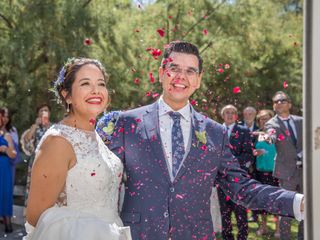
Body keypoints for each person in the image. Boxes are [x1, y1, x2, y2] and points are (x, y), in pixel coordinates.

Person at [97, 41, 304, 240]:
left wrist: (297, 201)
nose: (181, 77)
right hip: (139, 233)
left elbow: (241, 188)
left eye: (190, 71)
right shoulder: (127, 123)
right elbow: (103, 180)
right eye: (174, 68)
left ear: (198, 79)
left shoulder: (215, 133)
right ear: (161, 73)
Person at [24, 58, 131, 240]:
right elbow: (36, 217)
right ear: (67, 95)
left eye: (101, 83)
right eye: (85, 83)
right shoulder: (58, 141)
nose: (96, 90)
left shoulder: (96, 137)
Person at [265, 91, 304, 240]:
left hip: (305, 173)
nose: (279, 103)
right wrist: (269, 137)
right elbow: (271, 134)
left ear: (290, 104)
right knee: (287, 209)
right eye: (276, 101)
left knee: (308, 208)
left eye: (282, 100)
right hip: (286, 174)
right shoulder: (272, 123)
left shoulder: (301, 121)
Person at [217, 104, 254, 240]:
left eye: (232, 112)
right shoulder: (216, 130)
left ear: (236, 115)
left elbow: (248, 155)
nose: (229, 114)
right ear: (222, 115)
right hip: (221, 179)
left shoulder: (243, 131)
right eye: (227, 112)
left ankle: (242, 237)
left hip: (239, 179)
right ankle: (227, 237)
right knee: (225, 212)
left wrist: (230, 164)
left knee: (241, 212)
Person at [252, 109, 280, 237]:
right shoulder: (257, 134)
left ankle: (278, 229)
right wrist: (255, 153)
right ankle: (263, 227)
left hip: (276, 172)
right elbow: (252, 150)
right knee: (261, 201)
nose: (264, 120)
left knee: (277, 200)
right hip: (260, 173)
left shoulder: (276, 132)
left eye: (266, 118)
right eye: (261, 119)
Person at [21, 104, 52, 211]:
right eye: (42, 111)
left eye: (46, 110)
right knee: (34, 190)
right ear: (38, 114)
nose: (44, 112)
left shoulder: (53, 127)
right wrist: (35, 125)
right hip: (36, 162)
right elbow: (26, 141)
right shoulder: (34, 127)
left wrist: (48, 127)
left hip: (50, 163)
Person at [0, 108, 17, 233]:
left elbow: (13, 154)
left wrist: (6, 149)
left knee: (5, 192)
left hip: (4, 166)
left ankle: (7, 221)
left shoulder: (8, 135)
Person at [1, 107, 20, 186]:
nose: (5, 119)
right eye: (3, 116)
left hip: (9, 162)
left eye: (7, 117)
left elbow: (15, 148)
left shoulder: (12, 130)